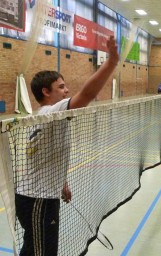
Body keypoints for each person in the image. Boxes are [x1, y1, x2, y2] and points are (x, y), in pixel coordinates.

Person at [15, 35, 119, 256]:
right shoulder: (52, 112)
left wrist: (61, 183)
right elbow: (87, 95)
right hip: (37, 199)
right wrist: (110, 63)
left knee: (36, 248)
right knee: (41, 252)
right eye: (61, 87)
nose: (66, 91)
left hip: (39, 196)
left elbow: (44, 157)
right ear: (46, 92)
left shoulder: (45, 117)